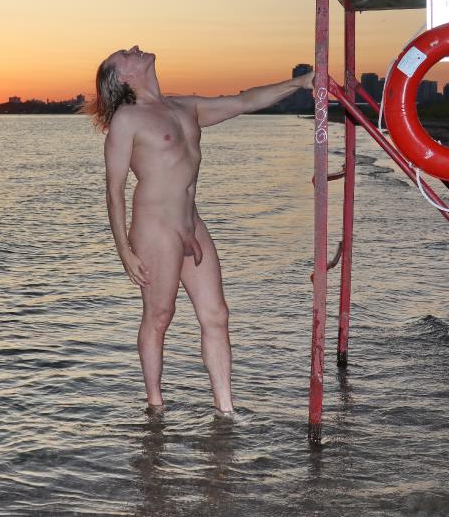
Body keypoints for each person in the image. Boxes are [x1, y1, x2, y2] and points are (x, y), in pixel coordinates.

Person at [87, 45, 314, 415]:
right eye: (125, 54)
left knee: (217, 315)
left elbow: (243, 102)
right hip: (154, 228)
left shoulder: (183, 107)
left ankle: (226, 410)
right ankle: (155, 409)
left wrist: (300, 82)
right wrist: (124, 250)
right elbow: (114, 191)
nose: (135, 49)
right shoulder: (127, 119)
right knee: (160, 316)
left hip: (191, 222)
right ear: (123, 77)